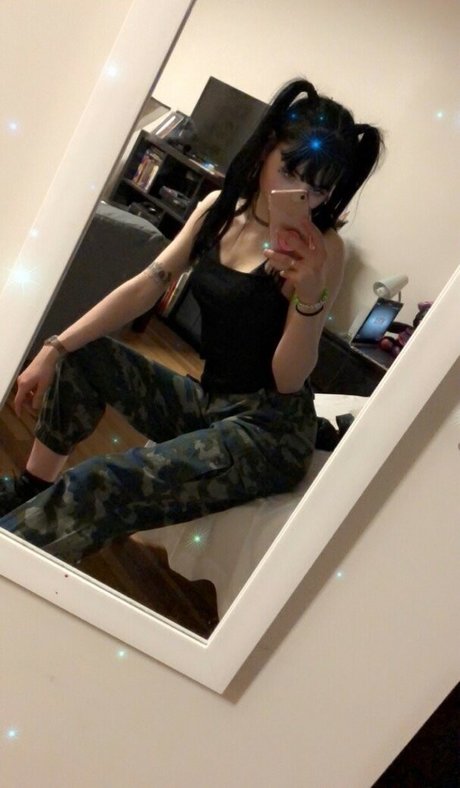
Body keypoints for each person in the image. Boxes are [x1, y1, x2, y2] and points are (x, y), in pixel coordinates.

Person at [0, 78, 383, 563]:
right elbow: (147, 285)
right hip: (210, 400)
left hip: (268, 432)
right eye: (290, 171)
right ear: (266, 148)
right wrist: (54, 348)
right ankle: (32, 489)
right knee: (83, 353)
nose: (301, 195)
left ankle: (14, 560)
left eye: (319, 188)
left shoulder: (324, 249)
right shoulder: (217, 211)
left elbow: (289, 380)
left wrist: (309, 296)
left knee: (101, 480)